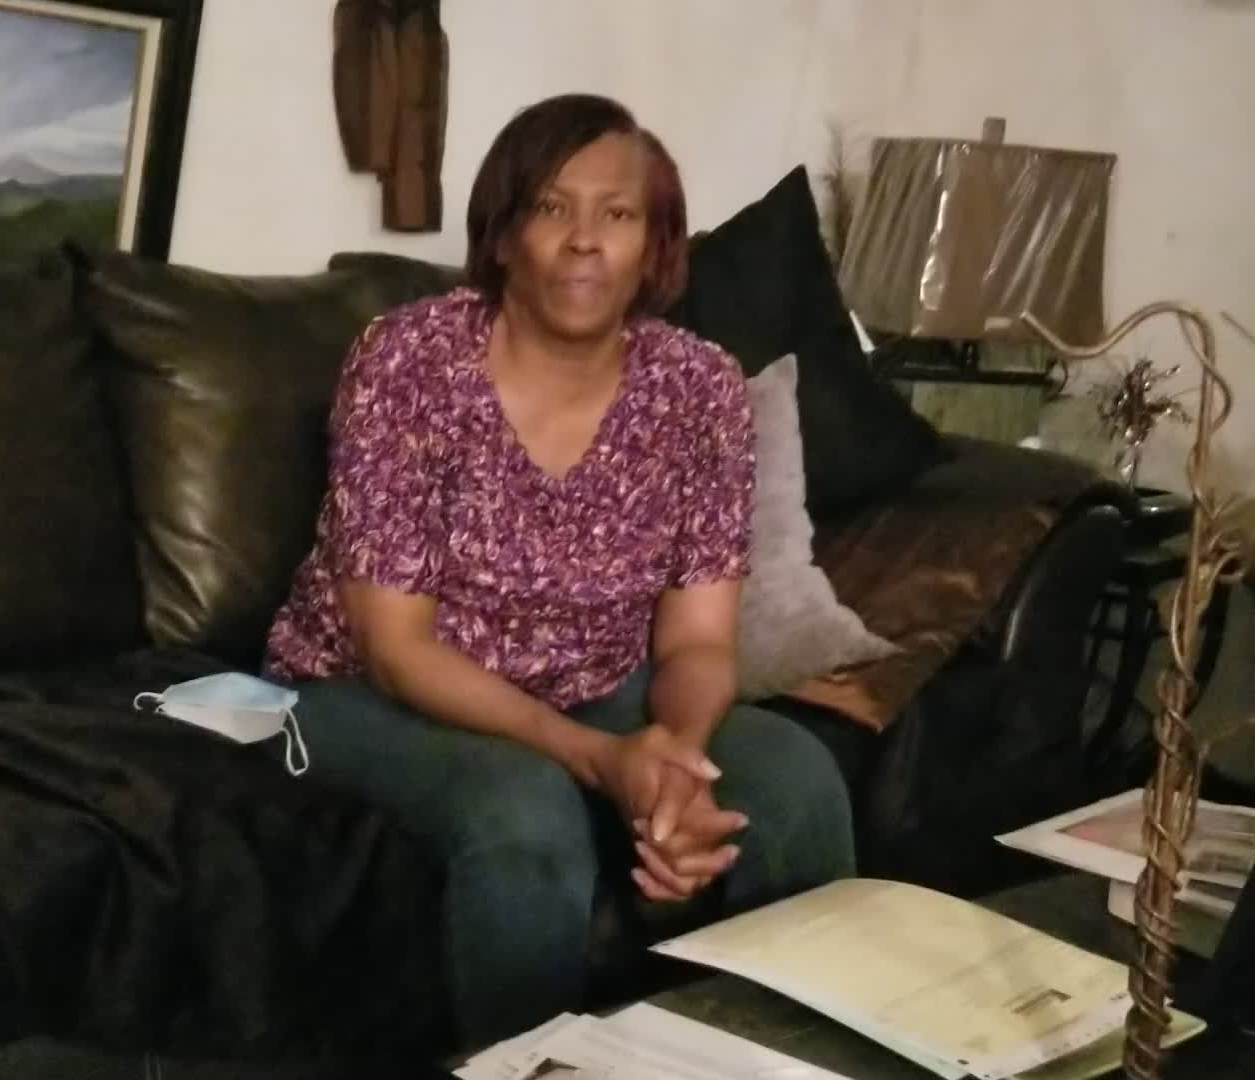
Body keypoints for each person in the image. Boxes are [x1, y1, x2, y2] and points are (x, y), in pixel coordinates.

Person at [264, 92, 854, 1045]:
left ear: (653, 246)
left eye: (617, 213)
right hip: (364, 694)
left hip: (596, 686)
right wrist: (597, 760)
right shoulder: (408, 361)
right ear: (503, 237)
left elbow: (699, 640)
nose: (585, 240)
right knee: (525, 814)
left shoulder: (700, 389)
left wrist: (674, 764)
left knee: (797, 779)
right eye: (551, 207)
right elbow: (397, 649)